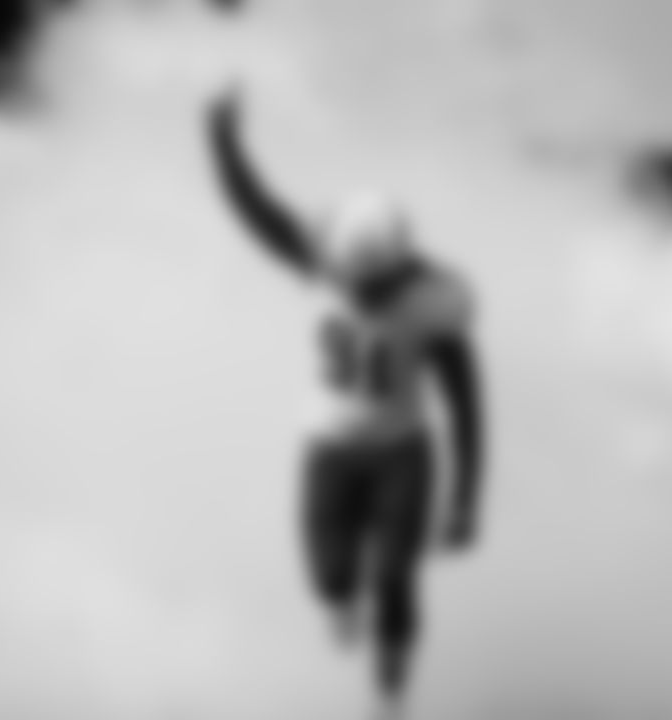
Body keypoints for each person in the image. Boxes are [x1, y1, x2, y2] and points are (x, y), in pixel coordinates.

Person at [203, 82, 488, 713]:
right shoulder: (323, 259)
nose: (359, 294)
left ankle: (390, 692)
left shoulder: (435, 305)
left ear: (401, 268)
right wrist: (222, 142)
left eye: (372, 285)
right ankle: (341, 601)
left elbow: (468, 406)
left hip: (400, 453)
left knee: (395, 578)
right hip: (329, 447)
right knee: (330, 579)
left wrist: (466, 497)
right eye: (352, 281)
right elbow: (254, 209)